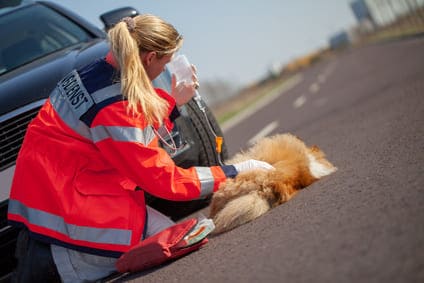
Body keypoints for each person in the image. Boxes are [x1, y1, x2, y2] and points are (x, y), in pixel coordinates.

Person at [7, 14, 273, 282]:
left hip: (52, 199)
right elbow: (163, 179)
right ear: (150, 58)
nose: (164, 68)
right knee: (179, 239)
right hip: (69, 221)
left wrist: (172, 102)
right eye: (165, 62)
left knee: (173, 234)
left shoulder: (93, 73)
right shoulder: (116, 105)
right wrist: (234, 172)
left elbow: (125, 138)